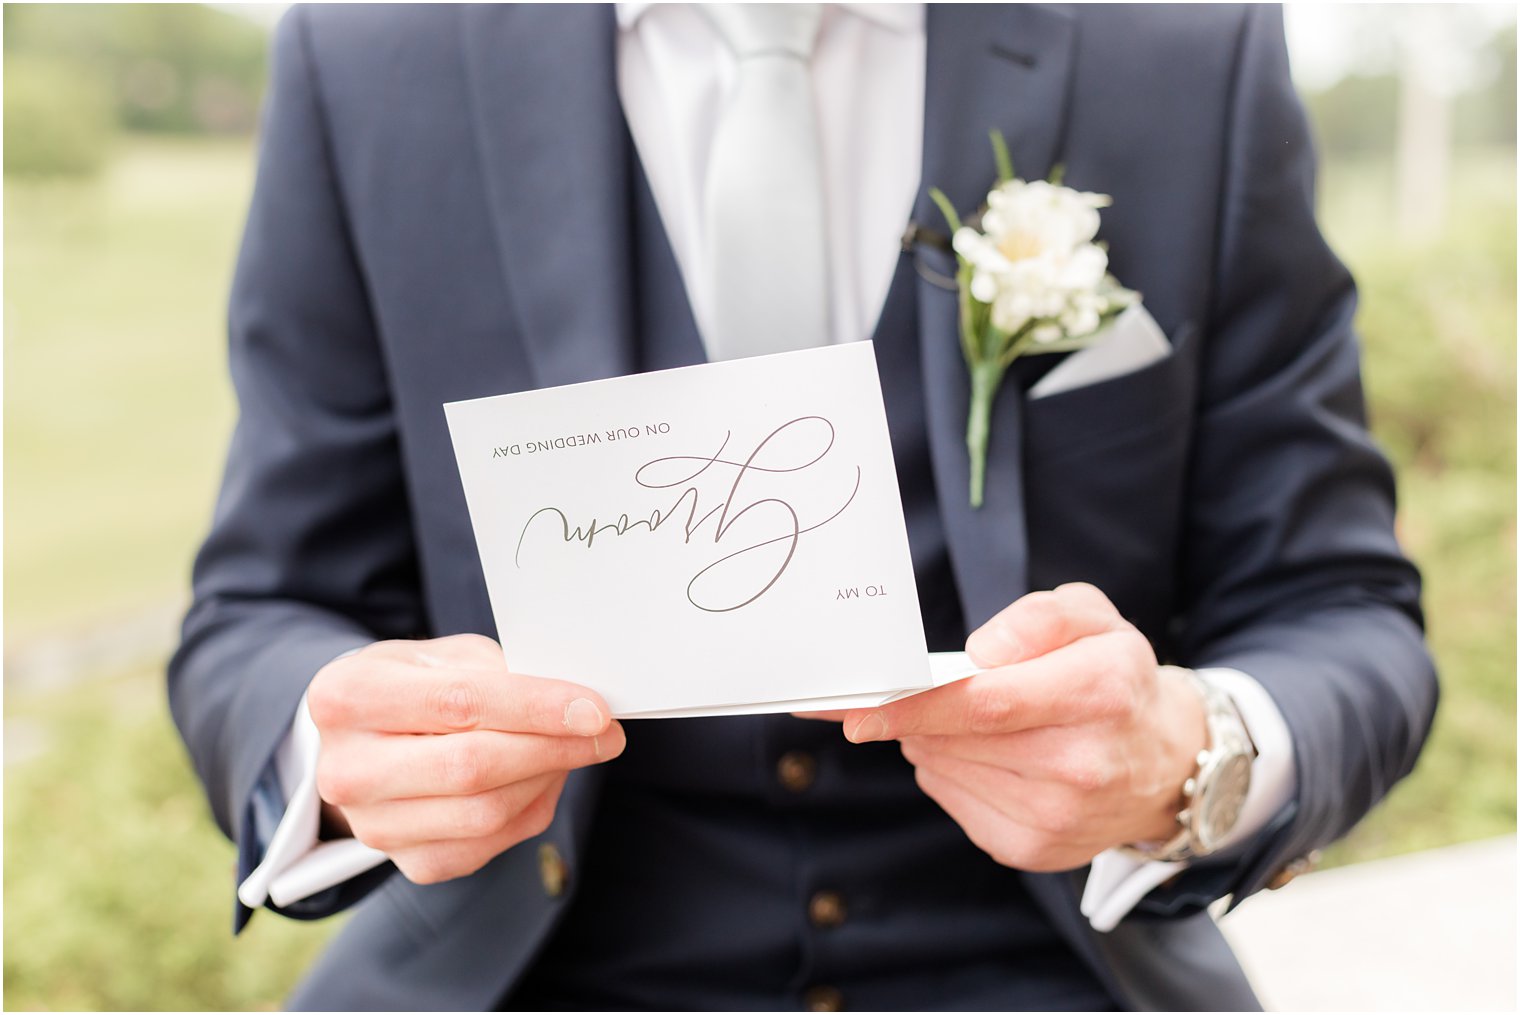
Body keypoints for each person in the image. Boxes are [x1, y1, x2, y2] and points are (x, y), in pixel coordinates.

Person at [169, 4, 1438, 1011]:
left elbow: (1339, 613)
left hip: (1045, 971)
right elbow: (260, 608)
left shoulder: (1176, 47)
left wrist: (1193, 756)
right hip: (533, 974)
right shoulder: (369, 56)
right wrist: (337, 755)